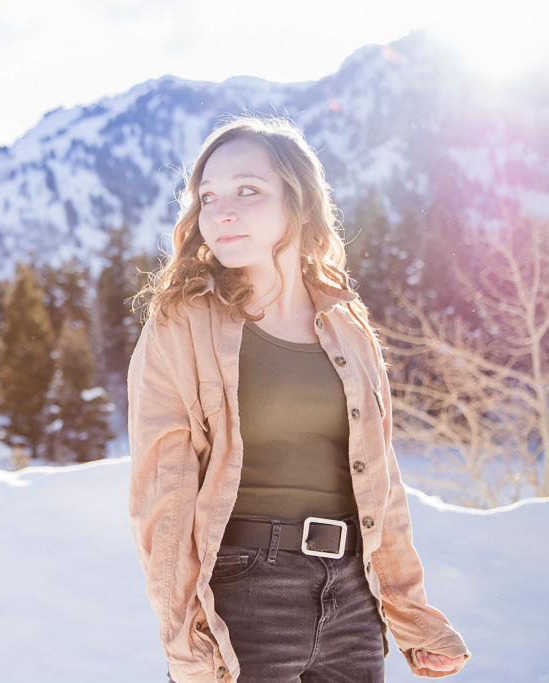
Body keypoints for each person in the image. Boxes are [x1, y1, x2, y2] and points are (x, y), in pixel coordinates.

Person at [127, 116, 469, 682]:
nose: (222, 212)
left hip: (354, 599)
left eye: (248, 191)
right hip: (244, 596)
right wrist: (185, 638)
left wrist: (411, 616)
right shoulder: (183, 323)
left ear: (301, 203)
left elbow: (383, 487)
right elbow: (161, 495)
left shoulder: (347, 325)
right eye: (207, 197)